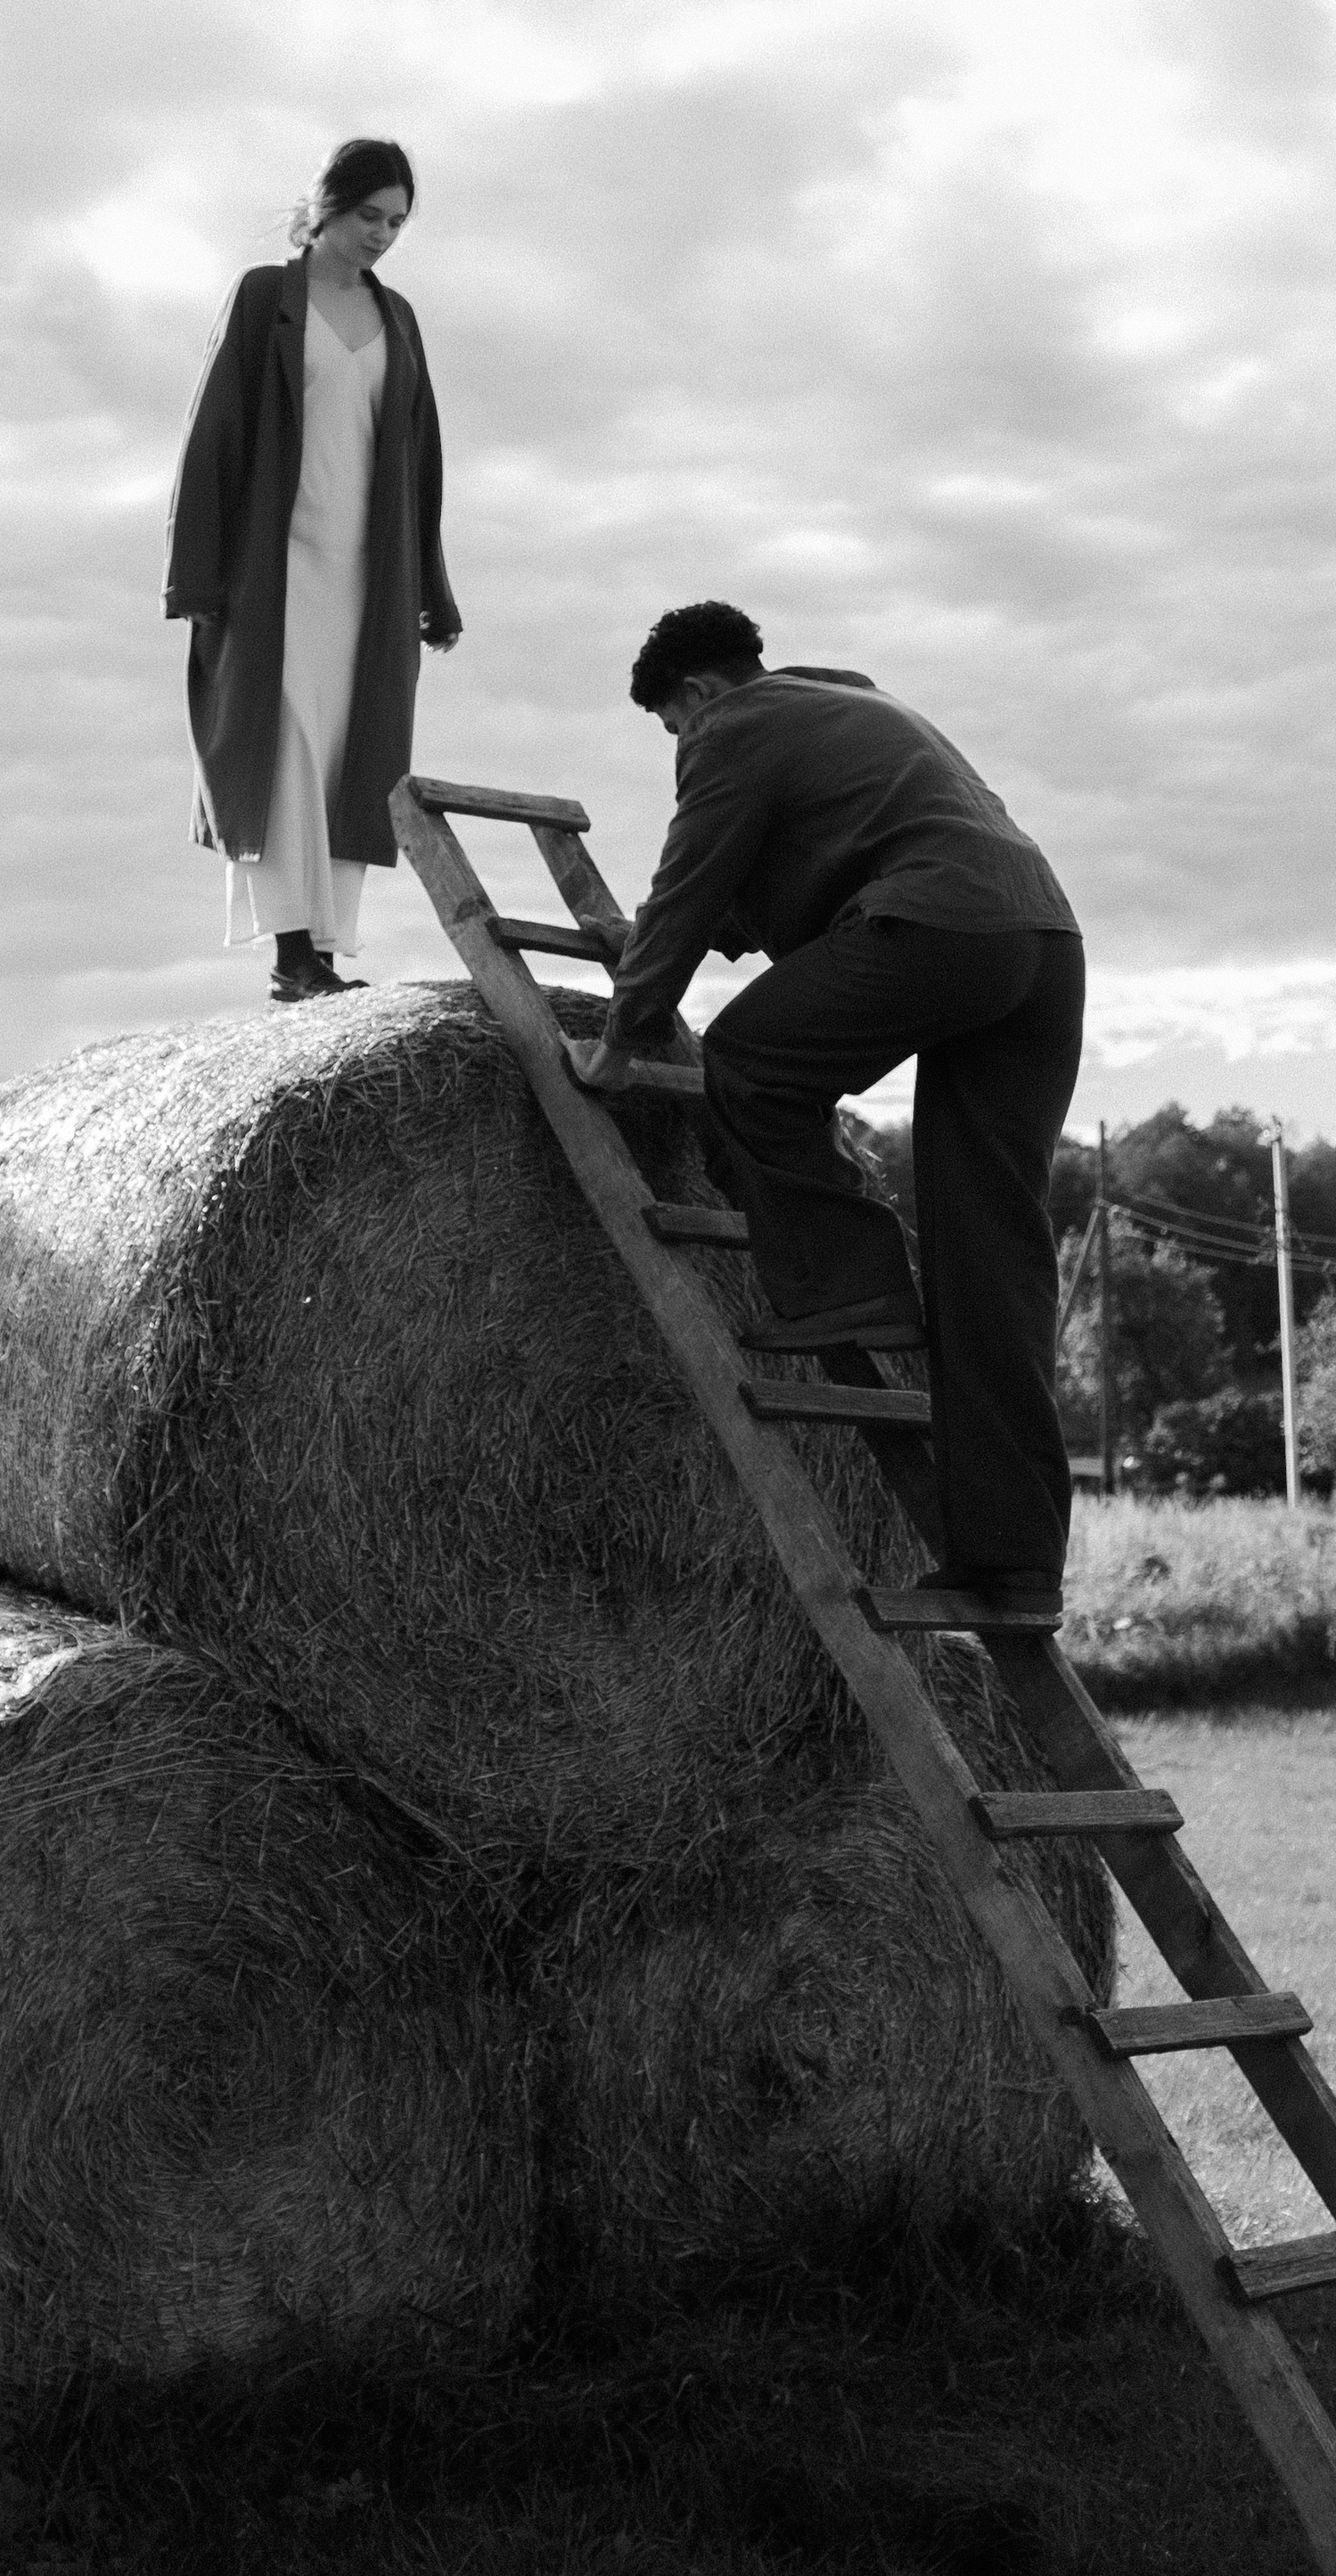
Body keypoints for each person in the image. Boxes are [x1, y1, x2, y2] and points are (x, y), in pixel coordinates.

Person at [571, 602, 1084, 1615]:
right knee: (991, 1253)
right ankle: (1012, 1560)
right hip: (1041, 946)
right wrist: (667, 937)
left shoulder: (734, 727)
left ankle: (851, 1284)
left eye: (672, 726)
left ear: (700, 693)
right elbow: (752, 891)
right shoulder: (848, 702)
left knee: (751, 1063)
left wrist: (624, 1032)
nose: (681, 747)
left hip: (936, 924)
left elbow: (691, 879)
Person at [163, 137, 462, 1001]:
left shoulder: (398, 317)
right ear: (326, 205)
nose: (381, 235)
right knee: (285, 736)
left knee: (347, 751)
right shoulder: (264, 297)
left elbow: (422, 463)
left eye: (397, 223)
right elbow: (212, 431)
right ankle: (292, 952)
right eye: (369, 215)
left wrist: (431, 594)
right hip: (274, 570)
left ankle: (323, 951)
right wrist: (196, 576)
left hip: (367, 576)